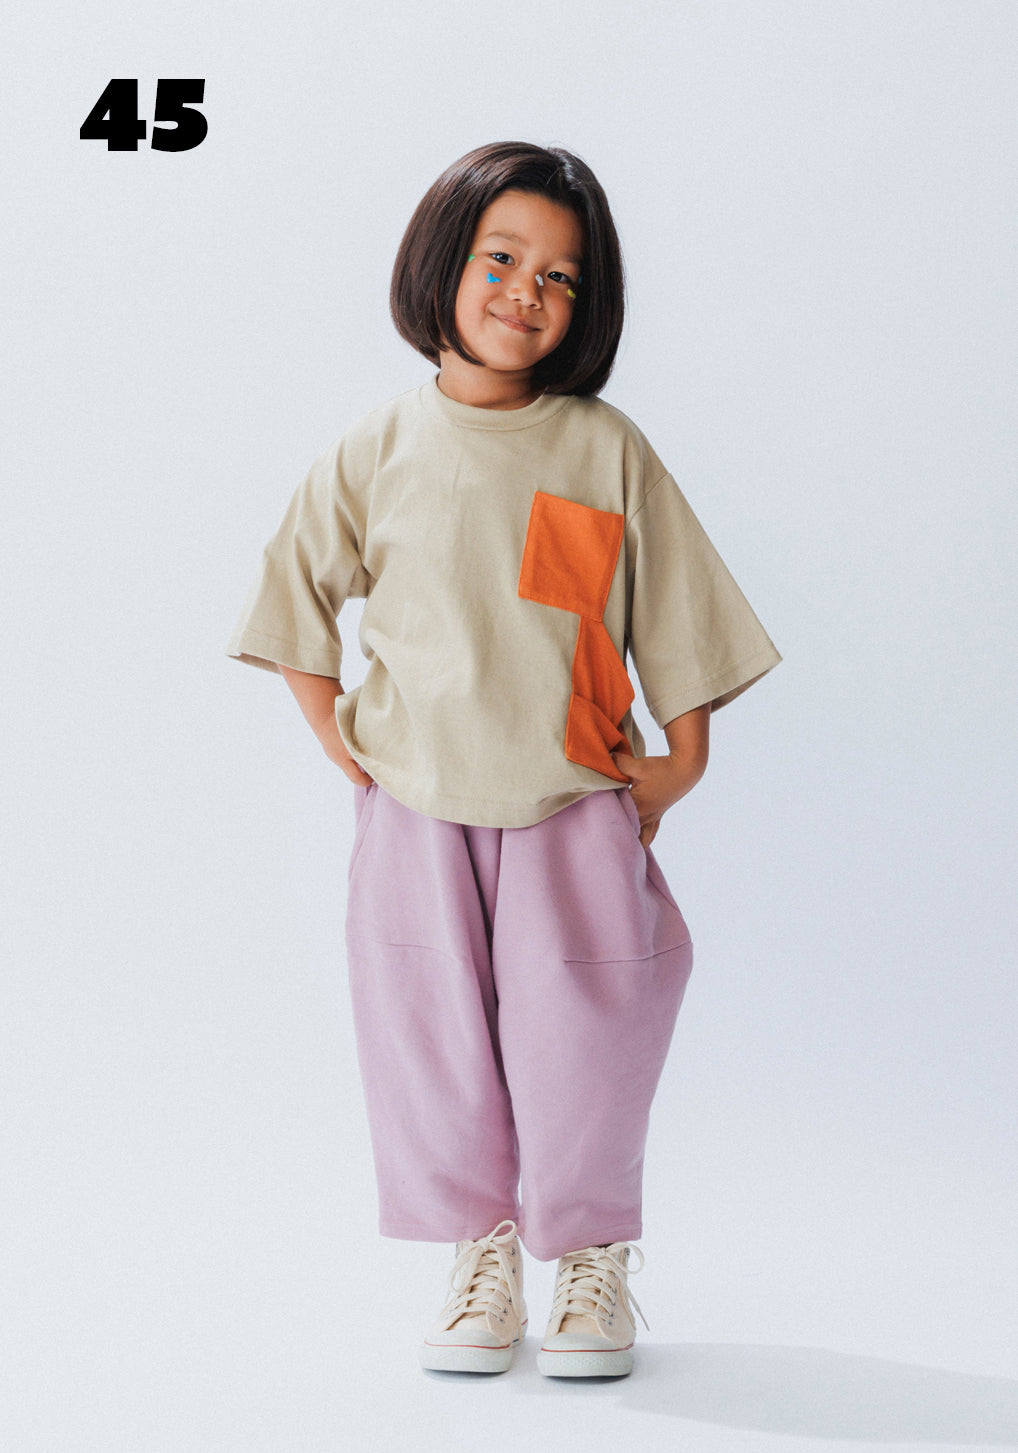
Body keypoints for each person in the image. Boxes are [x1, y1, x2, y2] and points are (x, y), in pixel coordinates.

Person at [228, 140, 780, 1379]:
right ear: (443, 263)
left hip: (570, 799)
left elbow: (678, 608)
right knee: (430, 1029)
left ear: (587, 303)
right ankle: (477, 1251)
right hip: (416, 805)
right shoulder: (378, 446)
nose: (526, 291)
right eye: (501, 259)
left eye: (560, 277)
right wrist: (347, 747)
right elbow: (290, 597)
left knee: (586, 1026)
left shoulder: (602, 448)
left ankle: (588, 1255)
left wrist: (680, 761)